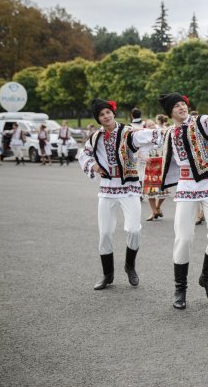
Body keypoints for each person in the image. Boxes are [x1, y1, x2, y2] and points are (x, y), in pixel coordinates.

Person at [158, 93, 208, 310]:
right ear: (170, 112)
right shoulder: (169, 133)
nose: (181, 107)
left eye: (183, 104)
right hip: (187, 185)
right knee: (183, 238)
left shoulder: (201, 122)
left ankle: (206, 277)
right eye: (176, 106)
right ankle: (180, 288)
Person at [77, 99, 163, 290]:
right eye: (101, 114)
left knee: (134, 229)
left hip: (129, 188)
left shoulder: (128, 132)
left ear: (113, 113)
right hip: (107, 189)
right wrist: (94, 165)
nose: (105, 116)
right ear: (98, 119)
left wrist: (166, 131)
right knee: (105, 233)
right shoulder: (95, 137)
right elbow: (83, 154)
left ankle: (130, 266)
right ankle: (107, 275)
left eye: (108, 112)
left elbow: (146, 136)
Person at [142, 119, 169, 221]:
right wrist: (143, 157)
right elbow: (137, 150)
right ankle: (154, 211)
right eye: (149, 125)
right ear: (145, 128)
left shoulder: (162, 133)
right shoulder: (143, 137)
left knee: (164, 189)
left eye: (153, 124)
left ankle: (157, 207)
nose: (152, 126)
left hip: (161, 164)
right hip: (150, 165)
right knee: (150, 190)